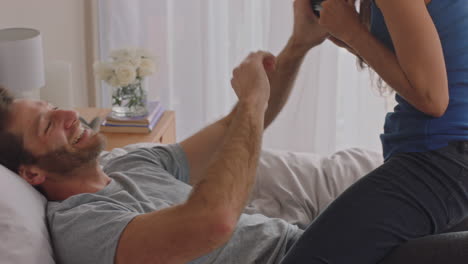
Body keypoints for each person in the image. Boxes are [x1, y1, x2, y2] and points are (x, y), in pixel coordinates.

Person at [0, 0, 332, 263]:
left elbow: (233, 128)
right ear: (31, 173)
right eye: (48, 125)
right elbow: (213, 223)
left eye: (55, 108)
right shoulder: (82, 225)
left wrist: (299, 43)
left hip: (307, 240)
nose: (72, 115)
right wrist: (252, 103)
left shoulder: (131, 163)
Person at [280, 0, 468, 263]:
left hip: (438, 160)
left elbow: (431, 98)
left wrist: (353, 31)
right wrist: (348, 35)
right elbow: (430, 63)